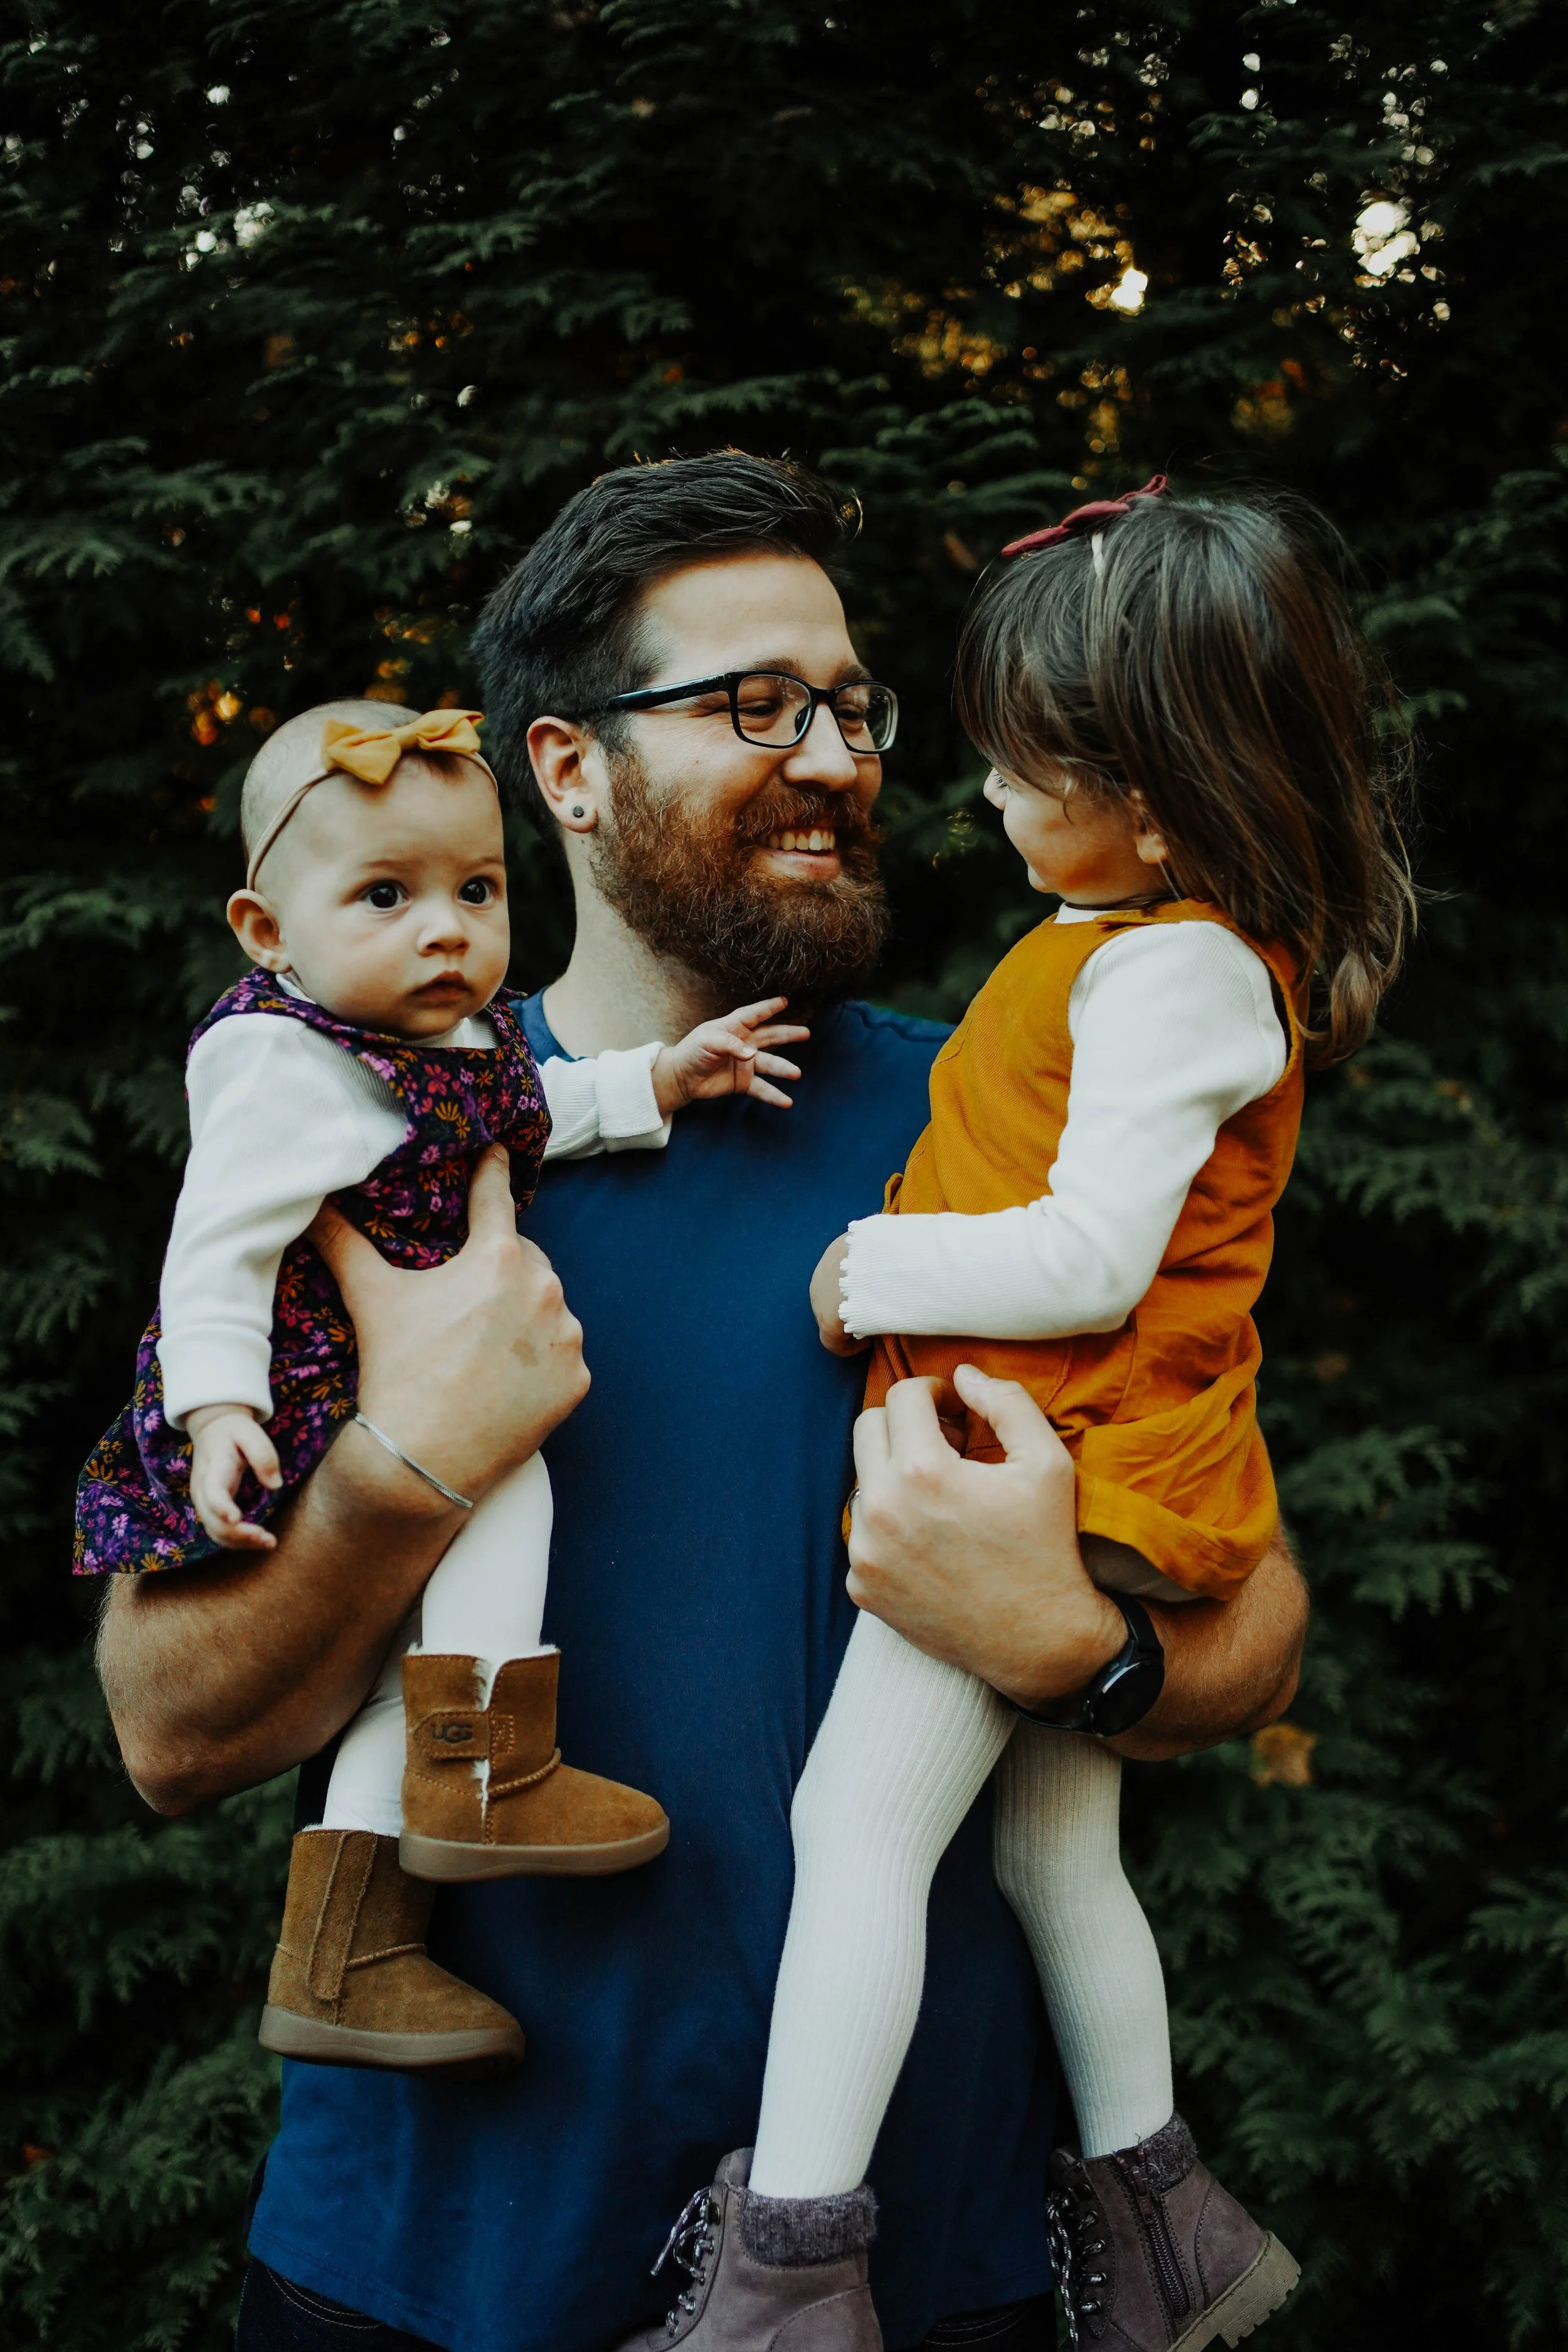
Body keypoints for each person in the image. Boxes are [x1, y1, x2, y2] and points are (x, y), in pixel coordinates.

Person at [94, 453, 1310, 2352]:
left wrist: (1081, 1644)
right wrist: (404, 1461)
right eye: (753, 705)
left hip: (918, 2274)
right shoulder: (369, 1149)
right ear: (567, 772)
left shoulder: (1009, 1123)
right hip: (434, 2261)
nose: (831, 754)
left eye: (849, 703)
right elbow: (166, 1727)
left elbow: (1252, 1618)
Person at [635, 479, 1411, 2351]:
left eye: (1016, 762)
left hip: (1042, 1471)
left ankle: (789, 2279)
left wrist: (863, 1275)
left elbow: (1082, 1256)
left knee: (856, 1828)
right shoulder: (1126, 945)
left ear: (1144, 793)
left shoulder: (1179, 970)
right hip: (1036, 1443)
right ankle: (1167, 2232)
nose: (976, 792)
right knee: (1056, 1850)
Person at [76, 696, 810, 2072]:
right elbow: (215, 1246)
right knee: (509, 1475)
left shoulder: (451, 1043)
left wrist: (660, 1076)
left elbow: (536, 1112)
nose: (444, 928)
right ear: (265, 932)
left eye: (474, 889)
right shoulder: (281, 1055)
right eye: (384, 894)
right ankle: (485, 1772)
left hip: (383, 1384)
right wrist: (216, 1411)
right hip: (312, 1399)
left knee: (383, 1687)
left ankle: (344, 1954)